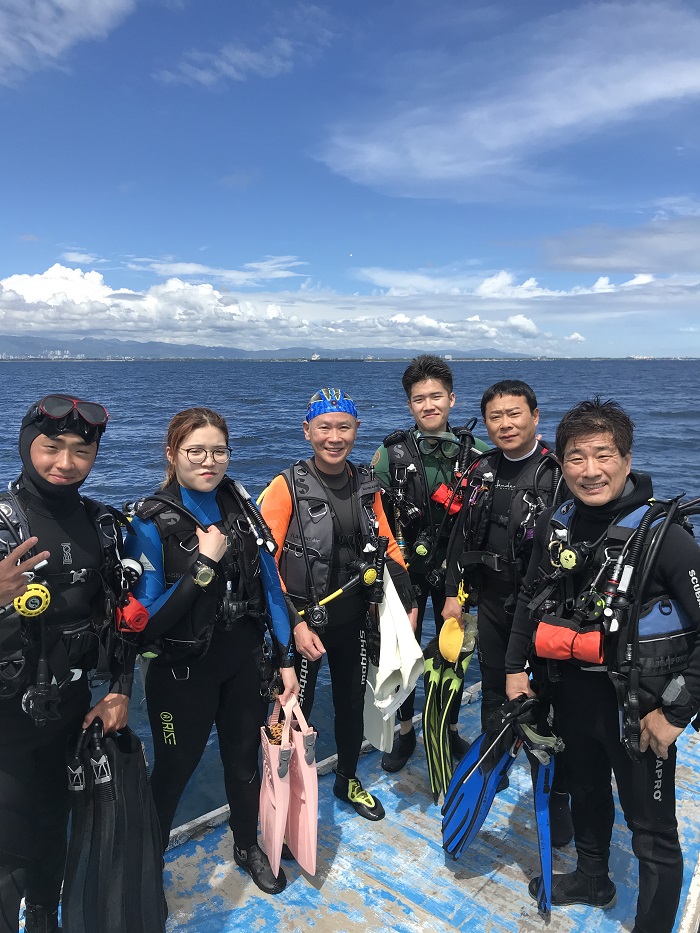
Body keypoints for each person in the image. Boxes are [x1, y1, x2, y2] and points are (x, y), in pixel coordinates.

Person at [505, 398, 700, 933]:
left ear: (627, 460)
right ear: (561, 463)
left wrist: (676, 713)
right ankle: (593, 879)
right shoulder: (558, 524)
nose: (590, 471)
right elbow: (527, 600)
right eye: (576, 458)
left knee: (651, 829)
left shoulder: (665, 538)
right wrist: (514, 668)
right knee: (586, 792)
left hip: (638, 709)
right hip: (570, 695)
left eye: (603, 455)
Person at [124, 408, 298, 896]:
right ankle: (146, 869)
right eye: (195, 451)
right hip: (181, 674)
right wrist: (203, 565)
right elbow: (147, 621)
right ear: (172, 454)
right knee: (173, 771)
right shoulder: (149, 522)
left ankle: (246, 846)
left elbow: (271, 586)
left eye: (218, 451)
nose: (208, 461)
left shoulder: (241, 504)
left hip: (243, 662)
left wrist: (286, 659)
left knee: (244, 762)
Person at [0, 394, 135, 933]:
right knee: (7, 846)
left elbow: (124, 617)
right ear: (25, 444)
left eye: (82, 451)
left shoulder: (101, 524)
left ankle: (44, 918)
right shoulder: (3, 522)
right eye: (52, 447)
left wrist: (120, 689)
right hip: (6, 724)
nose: (66, 462)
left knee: (56, 825)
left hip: (71, 713)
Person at [260, 388, 418, 821]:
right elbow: (265, 565)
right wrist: (294, 625)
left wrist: (407, 603)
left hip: (353, 620)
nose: (334, 437)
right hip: (302, 624)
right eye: (324, 427)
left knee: (351, 704)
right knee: (293, 711)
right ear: (307, 430)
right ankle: (285, 798)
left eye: (344, 427)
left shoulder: (366, 484)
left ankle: (347, 779)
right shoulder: (285, 487)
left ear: (356, 430)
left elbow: (388, 545)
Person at [442, 379, 572, 842]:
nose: (505, 424)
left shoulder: (558, 476)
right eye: (495, 417)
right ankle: (492, 766)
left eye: (514, 414)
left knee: (548, 704)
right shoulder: (481, 470)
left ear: (535, 416)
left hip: (545, 610)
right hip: (494, 603)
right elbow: (460, 537)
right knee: (495, 689)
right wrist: (453, 594)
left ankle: (554, 796)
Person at [372, 355, 487, 772]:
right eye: (419, 399)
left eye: (436, 396)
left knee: (453, 652)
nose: (428, 405)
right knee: (402, 653)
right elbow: (373, 517)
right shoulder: (390, 454)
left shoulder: (478, 454)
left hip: (457, 576)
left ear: (452, 399)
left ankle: (448, 726)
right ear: (409, 405)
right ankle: (405, 731)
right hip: (406, 572)